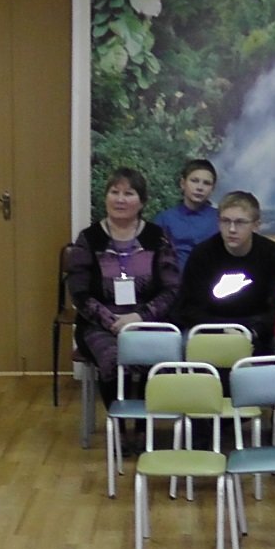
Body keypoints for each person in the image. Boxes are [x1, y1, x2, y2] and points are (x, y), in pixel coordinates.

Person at [68, 167, 180, 449]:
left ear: (141, 202)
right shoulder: (89, 238)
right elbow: (79, 292)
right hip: (99, 322)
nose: (120, 199)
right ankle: (117, 426)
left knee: (149, 355)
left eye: (128, 193)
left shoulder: (157, 237)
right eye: (114, 192)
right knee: (113, 357)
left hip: (148, 319)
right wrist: (111, 321)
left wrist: (139, 317)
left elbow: (172, 289)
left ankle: (143, 428)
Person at [176, 191, 275, 354]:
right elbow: (187, 308)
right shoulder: (202, 254)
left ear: (256, 225)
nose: (232, 229)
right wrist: (222, 329)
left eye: (240, 222)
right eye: (225, 221)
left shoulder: (272, 253)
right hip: (210, 328)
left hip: (257, 329)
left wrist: (254, 331)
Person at [153, 158, 218, 272]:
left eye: (206, 183)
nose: (199, 187)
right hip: (174, 279)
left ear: (212, 189)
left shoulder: (221, 219)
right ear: (183, 183)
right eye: (194, 181)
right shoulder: (165, 219)